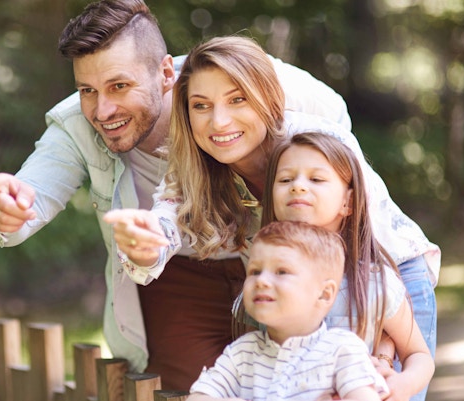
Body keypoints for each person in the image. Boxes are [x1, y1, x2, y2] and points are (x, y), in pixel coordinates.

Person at [0, 0, 352, 390]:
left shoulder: (238, 80)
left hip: (279, 262)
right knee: (189, 391)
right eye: (88, 90)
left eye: (119, 85)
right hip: (177, 271)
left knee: (316, 383)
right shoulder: (75, 125)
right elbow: (31, 194)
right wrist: (7, 212)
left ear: (166, 73)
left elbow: (336, 125)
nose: (103, 110)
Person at [103, 35, 440, 396]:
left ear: (266, 98)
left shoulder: (315, 145)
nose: (219, 121)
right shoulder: (192, 169)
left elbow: (368, 265)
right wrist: (145, 246)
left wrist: (384, 353)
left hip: (383, 278)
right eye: (201, 105)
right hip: (299, 293)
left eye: (237, 99)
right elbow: (164, 225)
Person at [257, 132, 434, 400]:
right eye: (285, 179)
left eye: (316, 179)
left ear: (348, 202)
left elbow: (419, 354)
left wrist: (401, 385)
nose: (298, 186)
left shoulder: (375, 283)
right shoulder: (262, 282)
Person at [187, 220, 390, 401]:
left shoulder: (341, 350)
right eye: (255, 271)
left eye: (281, 272)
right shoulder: (242, 353)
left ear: (324, 294)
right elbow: (197, 397)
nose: (262, 281)